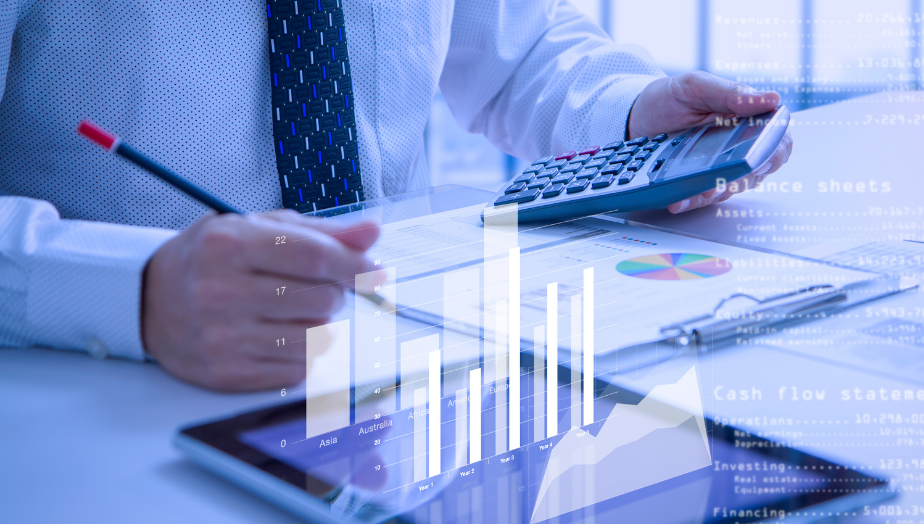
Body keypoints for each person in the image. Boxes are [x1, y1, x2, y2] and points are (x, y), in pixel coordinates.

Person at [0, 0, 791, 391]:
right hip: (105, 385)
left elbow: (516, 50)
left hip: (396, 349)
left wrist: (630, 110)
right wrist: (134, 289)